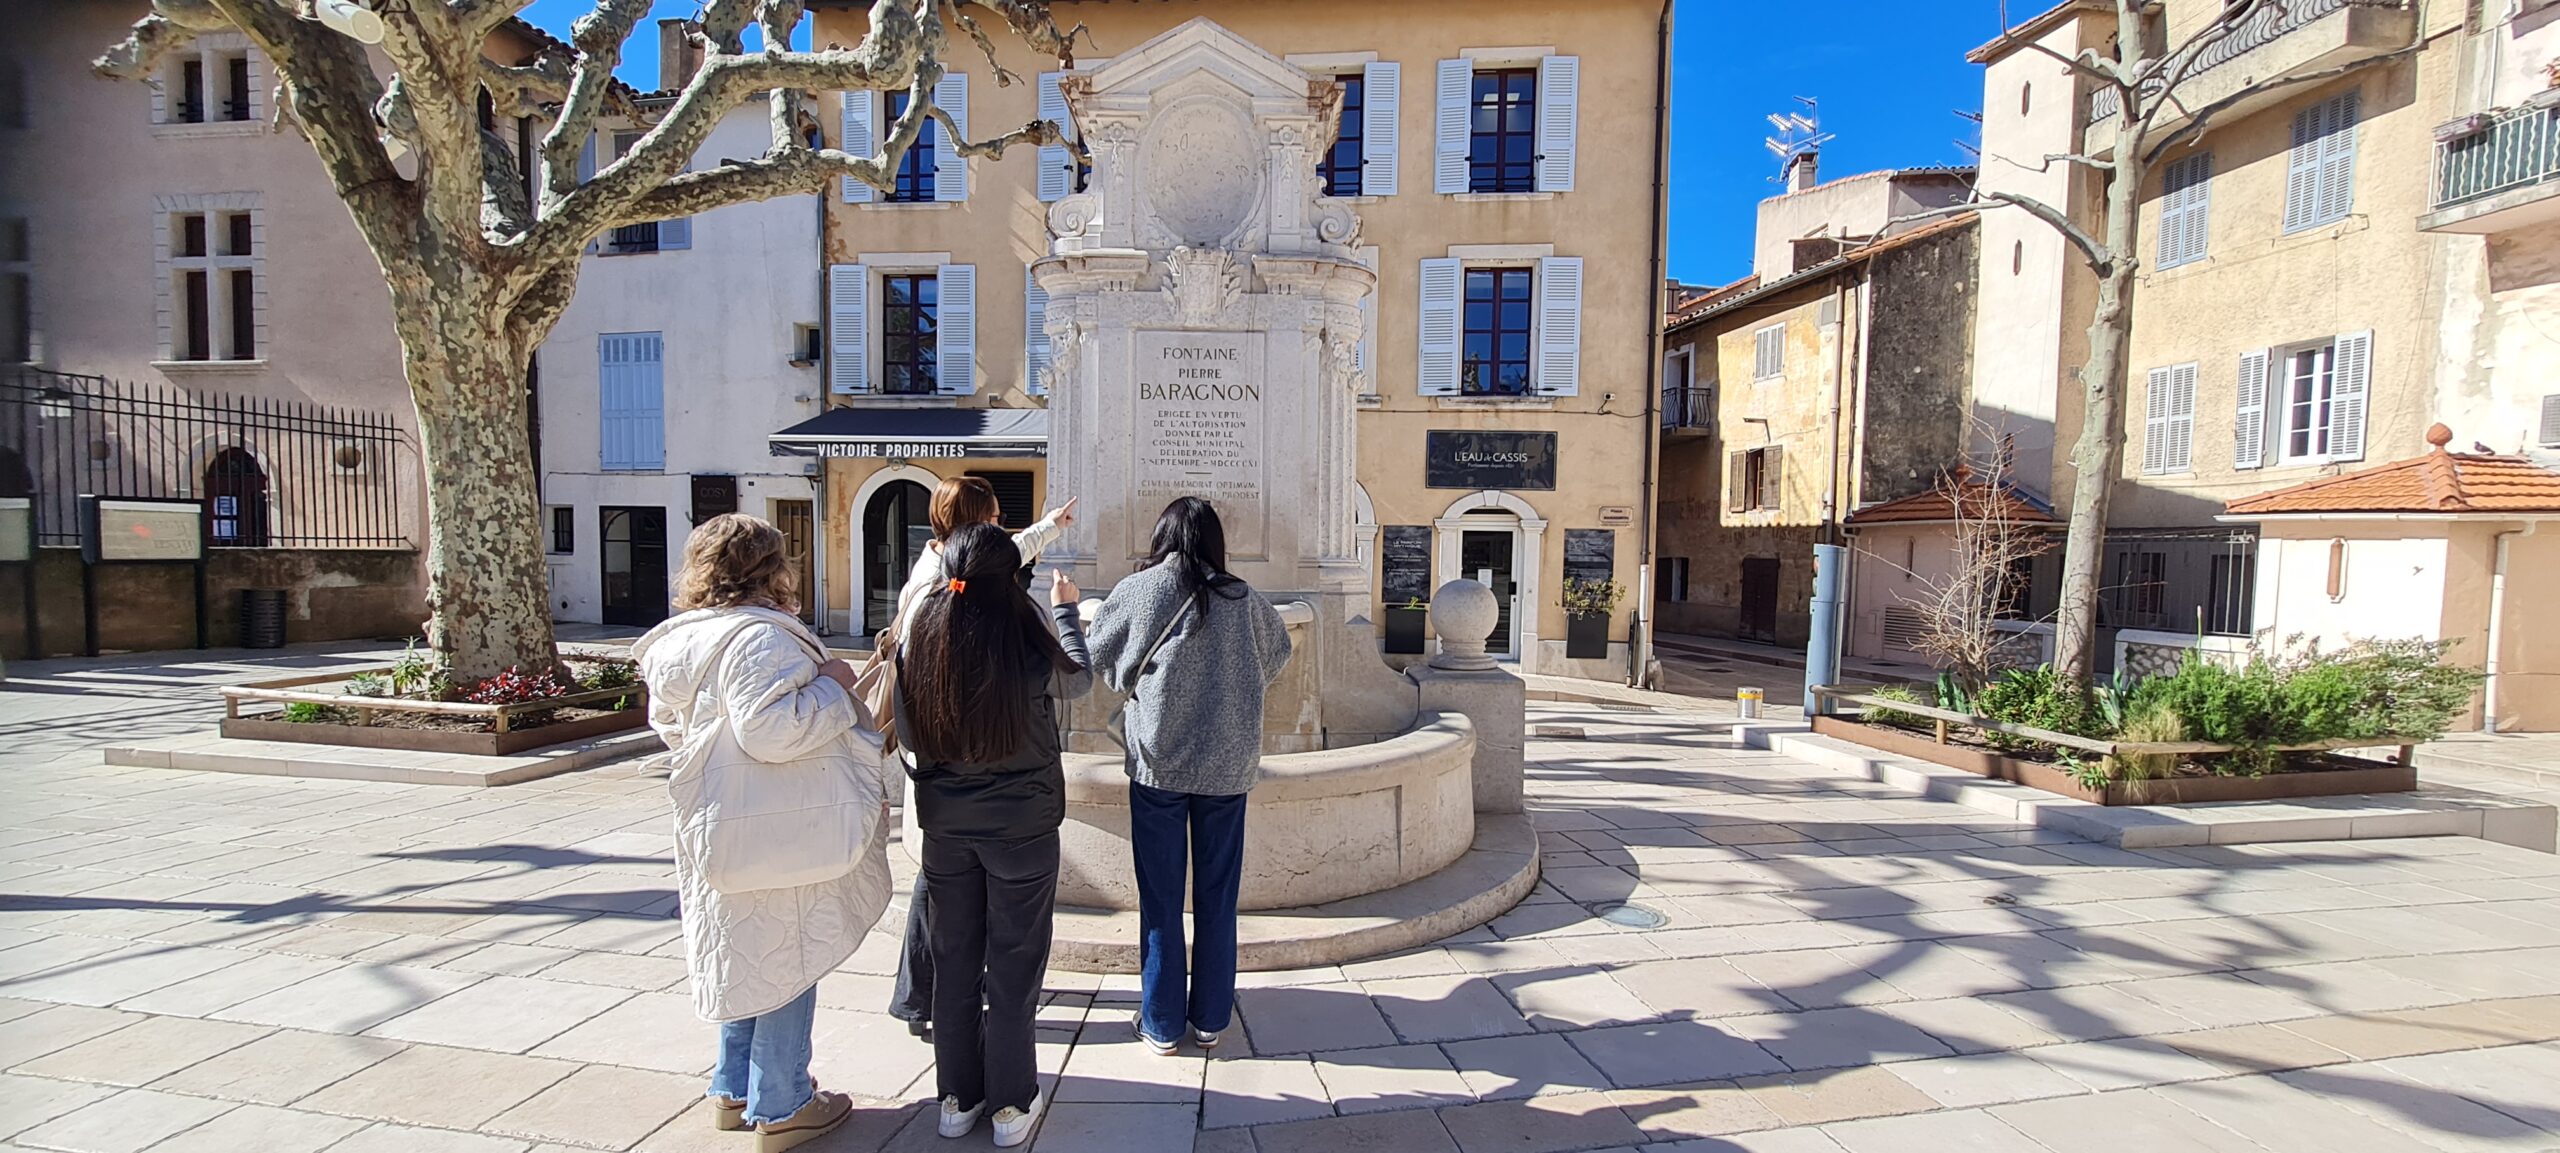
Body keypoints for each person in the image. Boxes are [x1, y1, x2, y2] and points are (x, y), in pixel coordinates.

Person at [633, 514, 891, 1153]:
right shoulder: (760, 639)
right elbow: (770, 732)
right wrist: (835, 685)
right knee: (787, 954)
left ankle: (733, 1088)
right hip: (781, 823)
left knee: (741, 948)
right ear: (771, 568)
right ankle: (783, 1102)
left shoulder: (686, 641)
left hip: (722, 820)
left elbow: (674, 726)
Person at [893, 523, 1092, 1147]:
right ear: (1012, 581)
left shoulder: (920, 633)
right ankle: (1011, 1104)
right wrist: (1066, 615)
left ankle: (957, 1097)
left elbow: (906, 728)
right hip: (1022, 827)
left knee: (954, 962)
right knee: (1014, 965)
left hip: (947, 826)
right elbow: (1078, 682)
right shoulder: (1023, 632)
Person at [1087, 497, 1292, 1056]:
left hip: (1159, 762)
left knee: (1160, 898)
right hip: (1227, 767)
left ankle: (1159, 1021)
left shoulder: (1140, 589)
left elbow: (1101, 657)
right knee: (1218, 897)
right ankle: (1209, 1019)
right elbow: (1277, 654)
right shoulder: (1243, 597)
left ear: (1162, 535)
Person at [887, 479, 1074, 1036]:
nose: (1001, 525)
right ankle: (920, 996)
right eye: (994, 517)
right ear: (977, 523)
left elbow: (1009, 551)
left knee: (946, 910)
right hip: (967, 772)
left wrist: (1051, 526)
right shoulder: (937, 590)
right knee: (944, 915)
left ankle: (932, 1019)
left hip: (949, 789)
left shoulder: (956, 567)